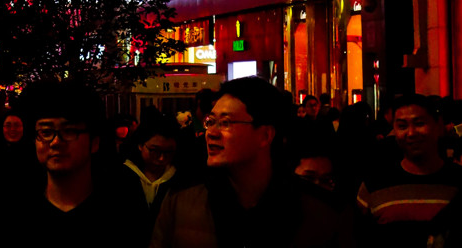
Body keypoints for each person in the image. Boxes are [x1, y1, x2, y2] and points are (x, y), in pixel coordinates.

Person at [150, 77, 353, 248]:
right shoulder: (182, 201)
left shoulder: (322, 212)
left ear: (265, 135)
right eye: (210, 122)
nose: (211, 133)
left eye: (226, 123)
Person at [17, 80, 132, 248]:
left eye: (69, 131)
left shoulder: (122, 213)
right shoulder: (17, 212)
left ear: (94, 143)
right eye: (46, 132)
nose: (56, 142)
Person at [357, 93, 462, 248]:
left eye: (419, 123)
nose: (411, 133)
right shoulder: (374, 185)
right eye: (402, 126)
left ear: (438, 125)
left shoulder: (458, 181)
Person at [120, 113, 179, 244]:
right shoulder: (121, 176)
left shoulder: (178, 179)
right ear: (140, 145)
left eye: (168, 152)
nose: (161, 158)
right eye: (154, 150)